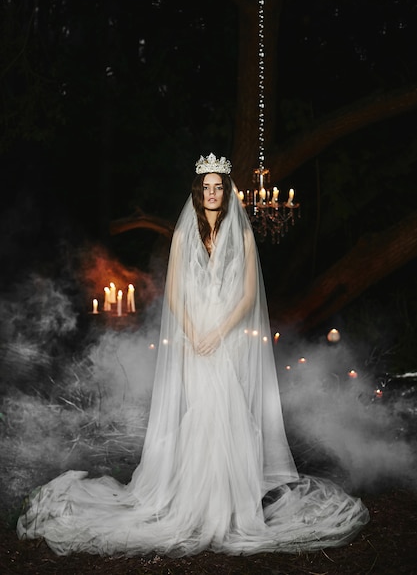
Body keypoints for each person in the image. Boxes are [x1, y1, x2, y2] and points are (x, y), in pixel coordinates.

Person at [17, 153, 369, 556]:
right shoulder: (185, 237)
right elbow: (174, 295)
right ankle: (196, 505)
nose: (214, 193)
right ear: (198, 193)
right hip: (194, 337)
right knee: (203, 412)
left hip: (229, 336)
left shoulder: (244, 235)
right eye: (207, 188)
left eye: (220, 187)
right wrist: (195, 334)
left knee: (231, 412)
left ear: (227, 190)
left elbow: (250, 294)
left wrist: (219, 331)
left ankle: (231, 509)